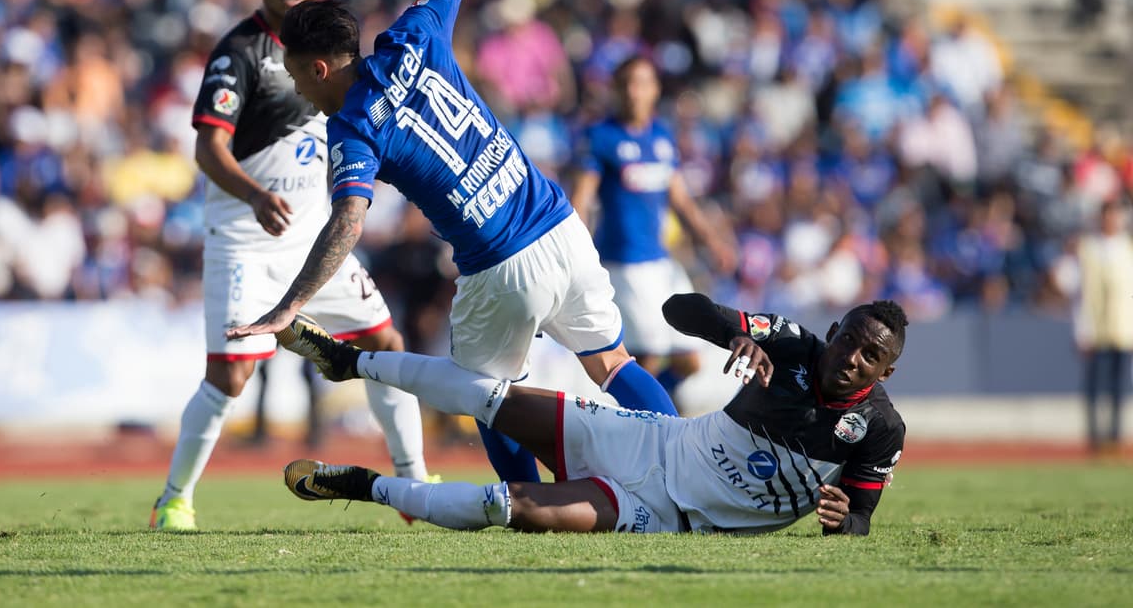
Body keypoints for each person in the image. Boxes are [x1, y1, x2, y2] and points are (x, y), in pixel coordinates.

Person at [225, 0, 678, 484]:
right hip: (560, 227)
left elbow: (348, 221)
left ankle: (531, 508)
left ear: (318, 68)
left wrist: (291, 305)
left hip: (498, 266)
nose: (299, 92)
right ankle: (685, 470)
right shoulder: (413, 35)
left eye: (297, 77)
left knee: (486, 397)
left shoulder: (351, 129)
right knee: (612, 363)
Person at [150, 0, 430, 530]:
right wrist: (253, 195)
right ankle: (174, 498)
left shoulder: (333, 46)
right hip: (247, 244)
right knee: (231, 374)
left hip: (316, 243)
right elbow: (207, 151)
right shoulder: (240, 53)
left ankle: (413, 484)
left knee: (386, 345)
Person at [277, 293, 908, 535]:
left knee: (511, 507)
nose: (852, 357)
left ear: (886, 372)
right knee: (489, 396)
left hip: (670, 517)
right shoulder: (795, 342)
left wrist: (841, 518)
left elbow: (857, 522)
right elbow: (677, 311)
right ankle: (346, 361)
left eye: (870, 354)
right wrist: (732, 332)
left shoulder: (880, 430)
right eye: (850, 338)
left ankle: (368, 487)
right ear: (835, 329)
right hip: (651, 442)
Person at [570, 55, 735, 404]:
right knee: (647, 355)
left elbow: (681, 200)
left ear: (655, 89)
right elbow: (581, 200)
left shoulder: (661, 136)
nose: (635, 91)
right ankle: (642, 427)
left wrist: (713, 241)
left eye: (643, 82)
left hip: (662, 263)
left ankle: (646, 417)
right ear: (616, 89)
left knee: (689, 360)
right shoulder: (601, 137)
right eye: (628, 83)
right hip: (624, 262)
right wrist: (577, 254)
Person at [1075, 199, 1133, 454]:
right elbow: (1080, 292)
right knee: (1095, 385)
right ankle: (1095, 439)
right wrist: (1081, 328)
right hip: (1096, 327)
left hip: (1123, 326)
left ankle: (1115, 437)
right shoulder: (1088, 248)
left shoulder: (1127, 248)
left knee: (1119, 386)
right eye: (1108, 215)